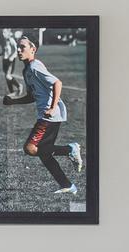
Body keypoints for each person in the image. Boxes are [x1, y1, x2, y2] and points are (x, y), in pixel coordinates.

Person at [17, 33, 84, 197]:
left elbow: (57, 83)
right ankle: (67, 185)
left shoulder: (34, 66)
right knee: (44, 154)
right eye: (18, 47)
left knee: (31, 148)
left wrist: (53, 107)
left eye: (22, 47)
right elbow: (31, 96)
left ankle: (70, 149)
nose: (18, 50)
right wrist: (12, 102)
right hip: (47, 115)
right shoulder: (27, 69)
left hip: (50, 115)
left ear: (33, 49)